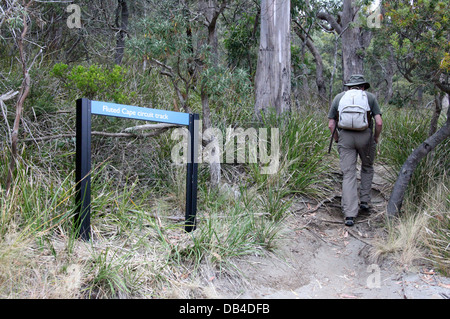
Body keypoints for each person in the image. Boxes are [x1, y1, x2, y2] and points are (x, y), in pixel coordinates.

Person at [327, 74, 383, 226]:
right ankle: (364, 201)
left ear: (349, 86)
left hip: (345, 137)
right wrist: (375, 138)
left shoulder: (339, 98)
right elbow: (378, 122)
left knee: (349, 174)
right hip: (365, 137)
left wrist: (338, 139)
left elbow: (331, 124)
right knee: (367, 167)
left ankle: (350, 214)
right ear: (363, 86)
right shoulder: (369, 97)